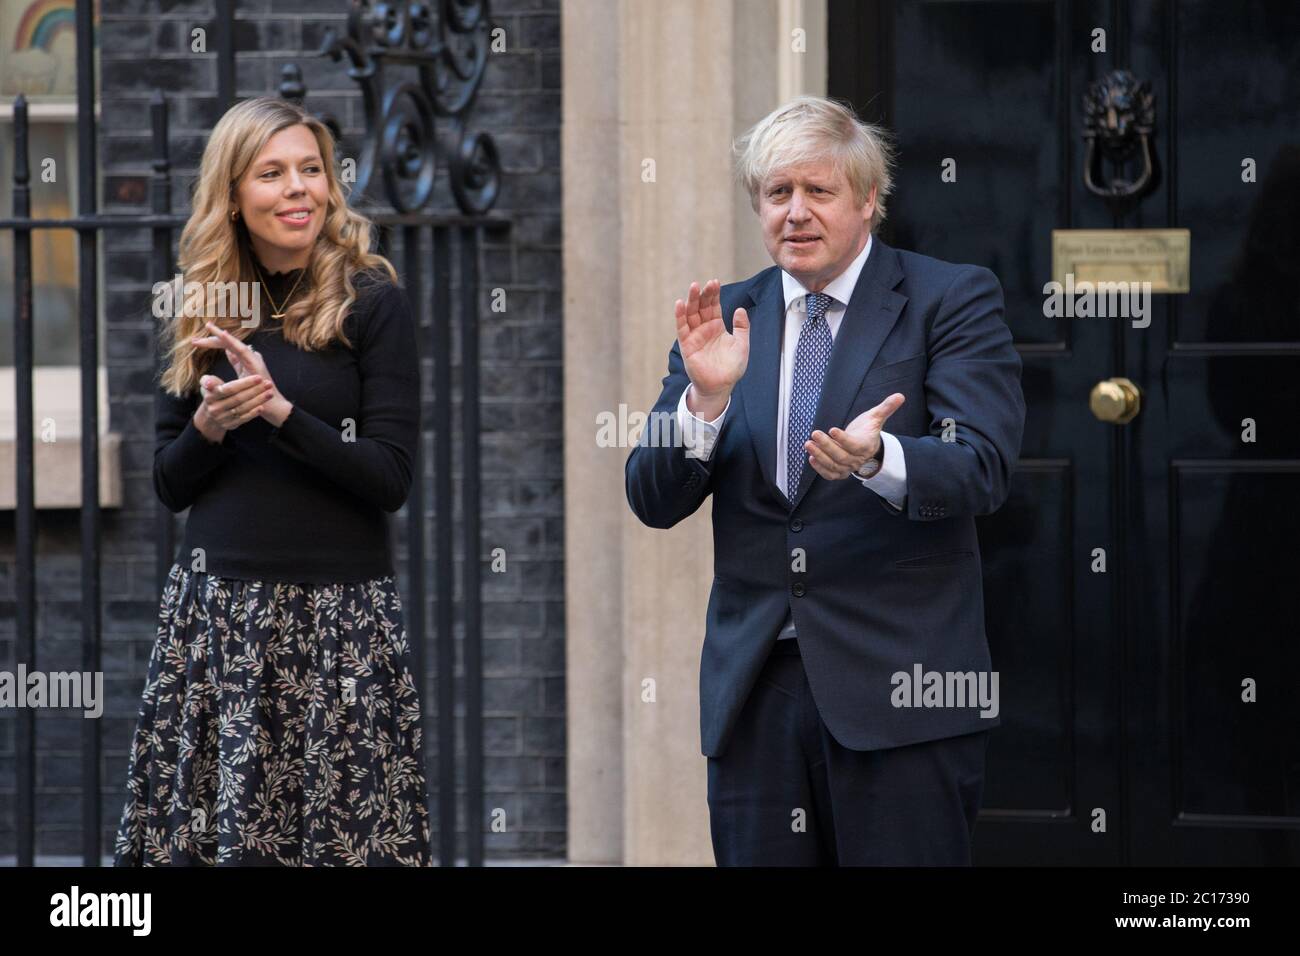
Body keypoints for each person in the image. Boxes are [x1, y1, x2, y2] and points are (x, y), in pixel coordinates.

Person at [625, 95, 1026, 865]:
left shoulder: (948, 298)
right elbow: (652, 497)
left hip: (903, 694)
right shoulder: (726, 318)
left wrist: (882, 461)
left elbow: (983, 465)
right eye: (779, 194)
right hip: (756, 696)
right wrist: (703, 402)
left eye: (820, 192)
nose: (796, 213)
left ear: (868, 200)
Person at [113, 96, 430, 866]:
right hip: (222, 619)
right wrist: (212, 426)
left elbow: (390, 477)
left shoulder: (372, 301)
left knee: (346, 842)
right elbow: (167, 480)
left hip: (340, 622)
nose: (299, 189)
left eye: (311, 171)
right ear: (233, 194)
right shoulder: (204, 305)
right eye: (273, 173)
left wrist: (281, 412)